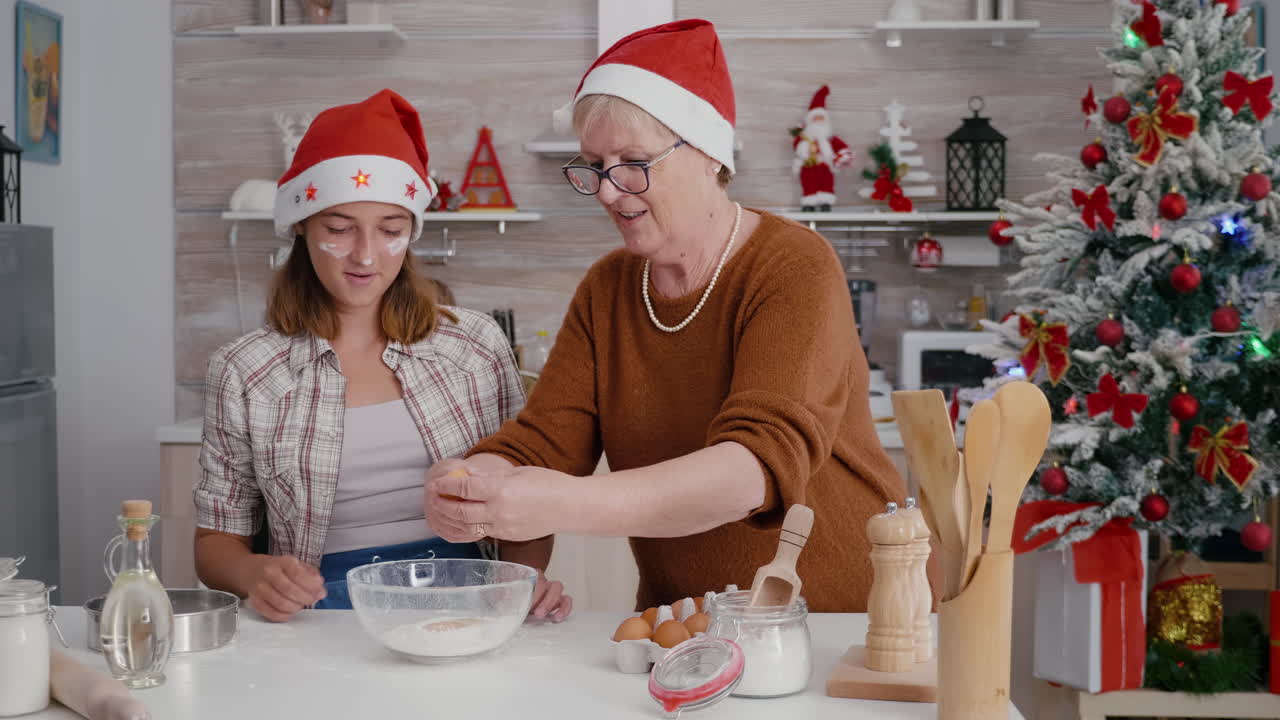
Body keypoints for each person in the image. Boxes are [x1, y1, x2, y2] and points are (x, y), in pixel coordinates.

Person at [424, 20, 905, 613]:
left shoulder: (793, 265)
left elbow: (751, 471)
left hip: (839, 617)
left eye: (632, 162)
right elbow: (545, 445)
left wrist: (557, 502)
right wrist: (473, 480)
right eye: (595, 165)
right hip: (682, 618)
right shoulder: (609, 287)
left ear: (707, 153)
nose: (606, 190)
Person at [193, 89, 571, 622]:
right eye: (339, 228)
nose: (366, 255)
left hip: (467, 603)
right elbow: (215, 542)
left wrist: (523, 582)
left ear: (412, 231)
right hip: (321, 614)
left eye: (390, 230)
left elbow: (523, 500)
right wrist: (254, 574)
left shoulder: (475, 346)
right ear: (301, 225)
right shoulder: (246, 372)